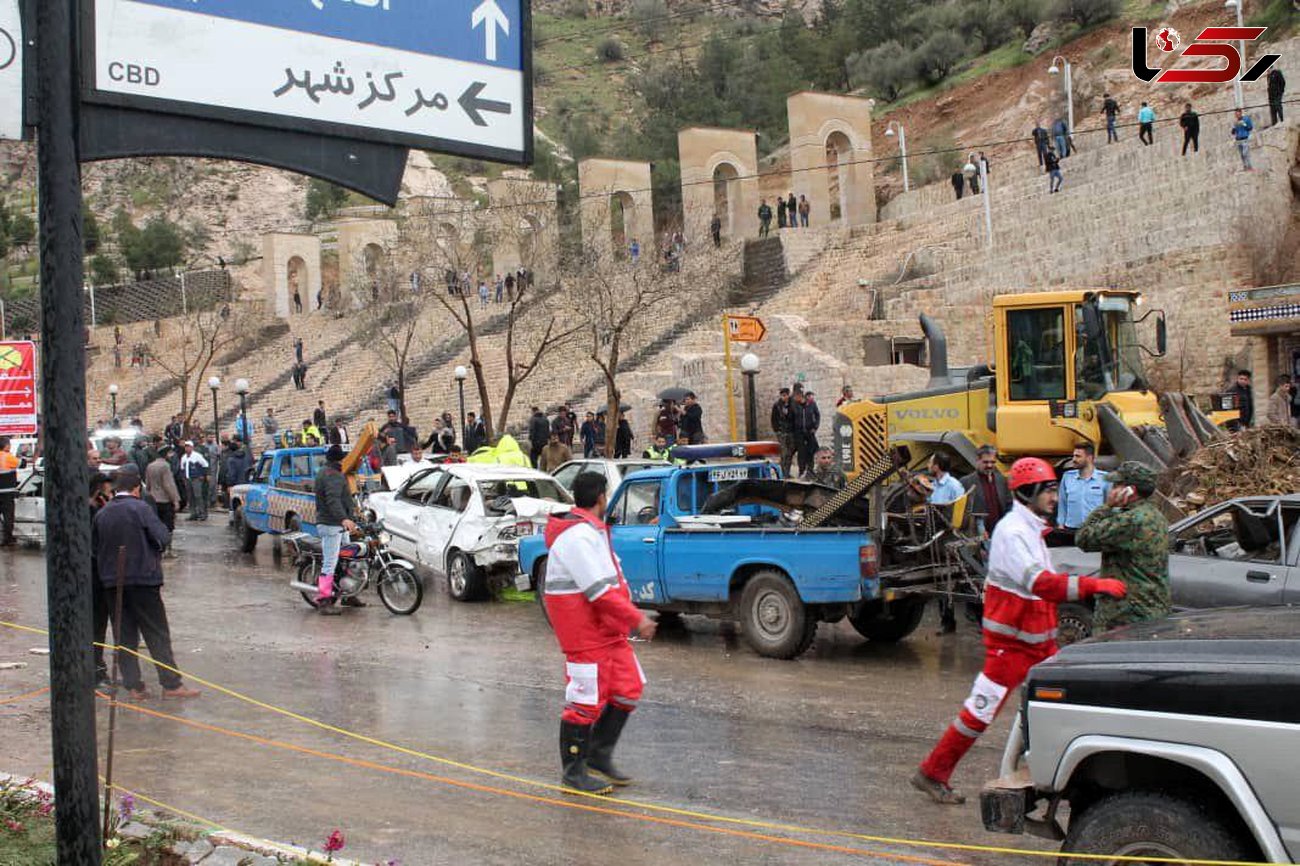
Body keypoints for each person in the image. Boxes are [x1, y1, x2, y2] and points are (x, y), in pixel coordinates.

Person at [913, 458, 1125, 804]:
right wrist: (1092, 585)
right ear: (1028, 493)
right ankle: (932, 772)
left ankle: (1047, 773)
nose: (1055, 498)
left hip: (1035, 645)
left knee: (1050, 707)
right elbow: (1042, 584)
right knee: (979, 713)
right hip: (1010, 648)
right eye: (1049, 491)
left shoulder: (1030, 528)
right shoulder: (1013, 533)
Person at [542, 472, 657, 795]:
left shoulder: (592, 532)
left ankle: (598, 755)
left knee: (628, 688)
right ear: (602, 498)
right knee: (584, 701)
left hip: (608, 631)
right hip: (585, 635)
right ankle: (574, 772)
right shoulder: (577, 537)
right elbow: (599, 592)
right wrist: (637, 619)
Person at [92, 467, 200, 700]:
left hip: (113, 583)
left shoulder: (102, 513)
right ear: (136, 488)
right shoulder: (140, 508)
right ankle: (171, 684)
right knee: (156, 633)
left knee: (124, 635)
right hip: (143, 580)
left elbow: (94, 548)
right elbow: (162, 537)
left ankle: (134, 686)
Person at [1075, 462, 1170, 632]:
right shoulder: (1155, 515)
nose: (1111, 489)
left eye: (1117, 485)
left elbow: (1083, 537)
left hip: (1125, 615)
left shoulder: (1130, 521)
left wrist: (1107, 506)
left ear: (1130, 490)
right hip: (1150, 608)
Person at [313, 445, 360, 615]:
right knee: (331, 562)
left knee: (347, 558)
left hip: (336, 524)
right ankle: (324, 600)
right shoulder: (332, 475)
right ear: (339, 459)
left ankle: (348, 593)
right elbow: (333, 500)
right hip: (332, 524)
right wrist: (344, 518)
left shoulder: (326, 472)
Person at [1056, 443, 1109, 539]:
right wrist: (1060, 524)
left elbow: (1109, 505)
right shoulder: (1068, 477)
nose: (1074, 459)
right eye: (1073, 456)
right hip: (1071, 531)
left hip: (1095, 531)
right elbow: (1062, 503)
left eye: (1078, 456)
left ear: (1089, 458)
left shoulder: (1104, 479)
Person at [959, 445, 1010, 539]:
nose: (990, 465)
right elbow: (961, 514)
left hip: (1001, 534)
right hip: (979, 537)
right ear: (977, 460)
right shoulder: (965, 482)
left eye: (993, 462)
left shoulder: (1001, 480)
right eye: (985, 462)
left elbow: (1008, 506)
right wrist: (977, 533)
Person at [145, 445, 181, 556]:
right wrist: (175, 499)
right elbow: (168, 484)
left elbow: (148, 484)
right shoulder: (165, 466)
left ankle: (157, 547)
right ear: (166, 454)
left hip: (153, 499)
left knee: (156, 524)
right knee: (168, 525)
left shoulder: (150, 466)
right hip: (165, 499)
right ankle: (167, 550)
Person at [180, 441, 209, 521]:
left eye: (188, 446)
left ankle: (202, 513)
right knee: (190, 497)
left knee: (198, 496)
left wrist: (203, 475)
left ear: (192, 447)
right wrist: (183, 478)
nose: (187, 448)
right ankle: (193, 513)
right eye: (186, 446)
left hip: (196, 478)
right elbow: (182, 468)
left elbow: (205, 464)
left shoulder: (197, 456)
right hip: (188, 479)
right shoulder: (184, 457)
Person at [770, 387, 794, 477]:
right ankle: (783, 473)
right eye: (782, 396)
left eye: (786, 395)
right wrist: (777, 431)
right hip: (782, 432)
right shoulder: (777, 405)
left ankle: (787, 472)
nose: (784, 397)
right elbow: (773, 419)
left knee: (790, 453)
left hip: (791, 432)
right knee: (784, 453)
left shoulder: (793, 404)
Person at [0, 437, 19, 546]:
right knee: (8, 517)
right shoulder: (8, 457)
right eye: (9, 444)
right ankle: (8, 539)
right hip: (7, 493)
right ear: (6, 446)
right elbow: (22, 464)